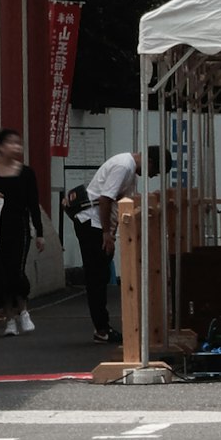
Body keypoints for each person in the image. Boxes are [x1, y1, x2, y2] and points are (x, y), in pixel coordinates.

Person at [77, 138, 149, 341]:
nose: (152, 175)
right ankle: (101, 328)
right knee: (96, 276)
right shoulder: (124, 166)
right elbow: (105, 199)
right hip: (92, 223)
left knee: (100, 274)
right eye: (155, 171)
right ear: (149, 161)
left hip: (99, 223)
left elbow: (117, 202)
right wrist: (107, 233)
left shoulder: (129, 169)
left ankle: (102, 325)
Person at [0, 128, 44, 334]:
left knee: (16, 270)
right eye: (11, 143)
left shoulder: (27, 173)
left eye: (18, 143)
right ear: (0, 147)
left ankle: (23, 312)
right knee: (0, 274)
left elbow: (33, 204)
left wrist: (39, 233)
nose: (17, 147)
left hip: (19, 227)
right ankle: (9, 320)